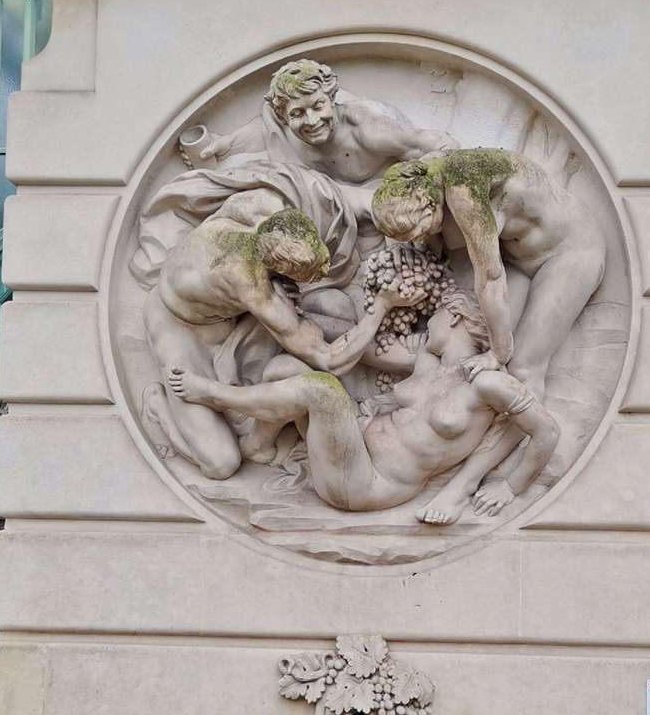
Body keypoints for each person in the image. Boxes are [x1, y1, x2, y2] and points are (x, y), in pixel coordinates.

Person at [167, 293, 559, 525]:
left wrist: (511, 487)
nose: (428, 325)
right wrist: (291, 316)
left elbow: (546, 431)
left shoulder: (488, 384)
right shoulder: (428, 362)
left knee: (321, 392)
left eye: (435, 316)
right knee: (283, 367)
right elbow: (359, 350)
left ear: (453, 317)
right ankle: (259, 445)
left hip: (368, 484)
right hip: (350, 444)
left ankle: (213, 394)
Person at [142, 190, 409, 481]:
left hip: (231, 317)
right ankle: (158, 406)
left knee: (306, 342)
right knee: (221, 463)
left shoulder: (262, 204)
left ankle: (257, 441)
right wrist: (382, 306)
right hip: (181, 331)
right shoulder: (253, 287)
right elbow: (329, 360)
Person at [370, 148, 604, 389]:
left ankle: (534, 412)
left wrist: (498, 354)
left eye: (422, 231)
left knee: (522, 368)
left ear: (427, 203)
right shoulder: (423, 177)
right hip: (518, 263)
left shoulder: (462, 191)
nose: (420, 239)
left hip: (568, 253)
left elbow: (490, 278)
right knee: (478, 349)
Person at [180, 59, 442, 192]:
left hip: (384, 198)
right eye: (298, 113)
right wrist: (226, 144)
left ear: (332, 98)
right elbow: (265, 128)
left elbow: (438, 147)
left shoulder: (370, 127)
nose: (312, 121)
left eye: (318, 107)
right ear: (284, 117)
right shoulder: (283, 125)